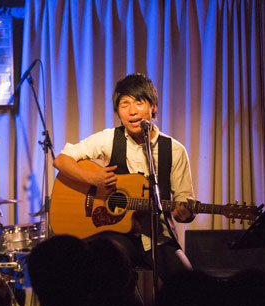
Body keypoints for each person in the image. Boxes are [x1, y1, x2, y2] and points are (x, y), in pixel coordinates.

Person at [53, 73, 196, 280]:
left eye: (139, 102)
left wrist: (184, 213)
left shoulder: (175, 150)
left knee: (188, 283)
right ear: (118, 112)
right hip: (116, 235)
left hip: (157, 237)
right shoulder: (109, 139)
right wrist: (92, 179)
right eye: (125, 104)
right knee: (106, 270)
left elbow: (184, 202)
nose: (132, 111)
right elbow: (61, 160)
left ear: (153, 107)